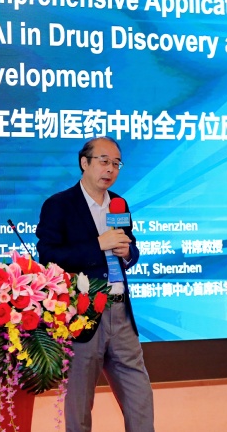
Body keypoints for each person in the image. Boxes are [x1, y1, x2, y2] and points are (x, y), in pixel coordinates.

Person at [36, 136, 155, 432]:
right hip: (82, 314)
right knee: (79, 402)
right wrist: (98, 245)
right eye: (103, 161)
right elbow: (48, 256)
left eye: (116, 163)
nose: (110, 169)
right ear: (84, 163)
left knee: (139, 392)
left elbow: (131, 248)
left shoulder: (119, 204)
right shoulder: (59, 205)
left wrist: (128, 252)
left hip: (120, 312)